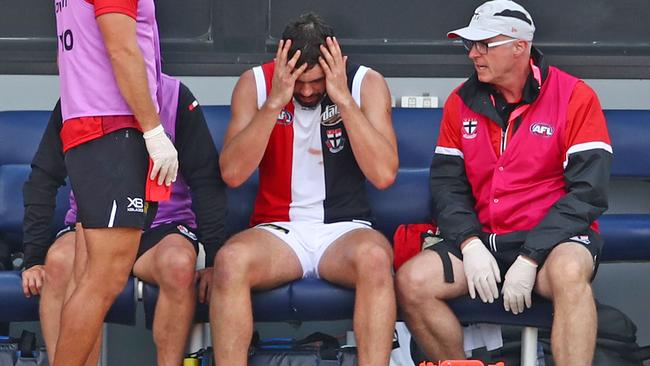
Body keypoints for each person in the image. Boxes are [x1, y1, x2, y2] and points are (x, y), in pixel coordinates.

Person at [395, 1, 612, 365]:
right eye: (470, 45)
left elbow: (589, 193)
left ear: (519, 47)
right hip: (484, 241)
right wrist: (469, 241)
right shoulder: (460, 101)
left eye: (484, 44)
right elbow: (447, 184)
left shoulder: (575, 96)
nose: (474, 54)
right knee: (412, 281)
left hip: (553, 244)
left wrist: (531, 256)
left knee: (571, 273)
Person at [211, 12, 398, 366]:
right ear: (283, 64)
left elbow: (384, 174)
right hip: (278, 232)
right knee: (229, 261)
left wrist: (342, 99)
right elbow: (232, 174)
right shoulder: (256, 83)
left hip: (344, 229)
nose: (308, 91)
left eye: (316, 81)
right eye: (299, 82)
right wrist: (274, 102)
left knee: (375, 259)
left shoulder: (364, 84)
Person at [21, 74, 226, 366]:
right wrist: (33, 257)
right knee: (58, 265)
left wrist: (214, 259)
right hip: (94, 225)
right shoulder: (78, 98)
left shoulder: (175, 96)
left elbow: (206, 180)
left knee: (178, 265)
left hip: (160, 228)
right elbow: (43, 177)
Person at [52, 0, 178, 364]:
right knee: (103, 280)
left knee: (90, 276)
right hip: (112, 128)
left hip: (90, 127)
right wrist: (154, 130)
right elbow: (121, 49)